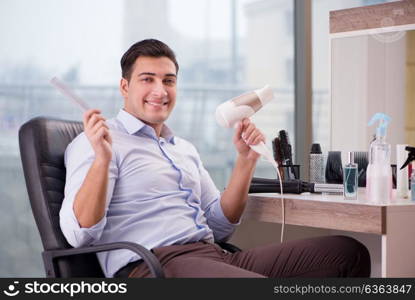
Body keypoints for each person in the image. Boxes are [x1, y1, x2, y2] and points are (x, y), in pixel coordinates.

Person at [60, 39, 370, 278]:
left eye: (168, 80)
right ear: (124, 86)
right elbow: (79, 234)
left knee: (347, 254)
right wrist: (102, 160)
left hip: (213, 255)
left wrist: (245, 161)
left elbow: (219, 225)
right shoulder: (98, 142)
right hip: (154, 265)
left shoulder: (183, 148)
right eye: (147, 79)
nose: (160, 90)